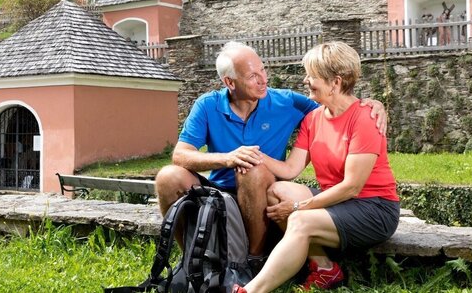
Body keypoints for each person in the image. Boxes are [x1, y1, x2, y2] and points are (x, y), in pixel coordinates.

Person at [154, 41, 387, 270]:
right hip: (220, 190)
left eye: (263, 70)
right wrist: (228, 158)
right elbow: (181, 155)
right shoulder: (207, 105)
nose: (263, 79)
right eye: (252, 75)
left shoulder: (286, 102)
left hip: (262, 191)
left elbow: (335, 104)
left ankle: (253, 261)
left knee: (251, 169)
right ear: (229, 82)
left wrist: (371, 104)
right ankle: (191, 260)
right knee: (168, 177)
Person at [232, 42, 400, 293]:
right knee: (277, 191)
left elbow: (352, 187)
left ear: (335, 82)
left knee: (300, 219)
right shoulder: (313, 118)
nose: (305, 80)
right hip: (338, 200)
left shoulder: (365, 118)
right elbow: (290, 169)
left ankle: (251, 290)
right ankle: (325, 269)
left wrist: (299, 207)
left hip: (374, 207)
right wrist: (252, 155)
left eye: (312, 76)